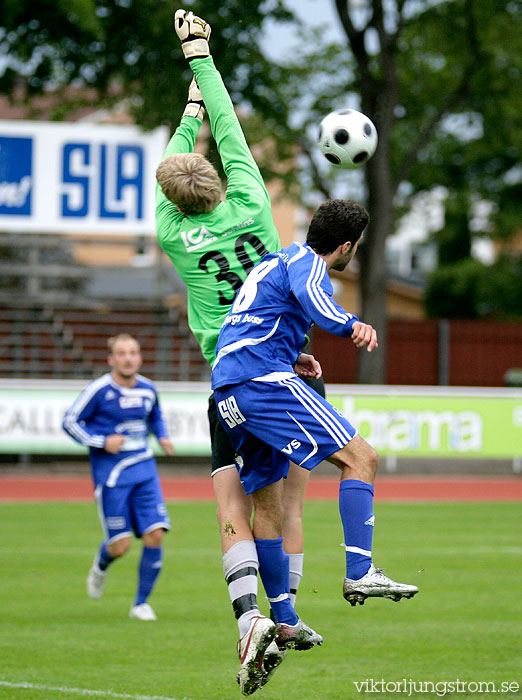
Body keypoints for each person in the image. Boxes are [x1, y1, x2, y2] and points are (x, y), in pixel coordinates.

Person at [155, 9, 321, 695]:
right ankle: (282, 616)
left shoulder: (171, 232)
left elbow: (181, 155)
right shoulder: (253, 203)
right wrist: (201, 60)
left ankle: (253, 616)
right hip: (282, 368)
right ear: (220, 182)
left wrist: (183, 109)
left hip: (228, 380)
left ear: (172, 199)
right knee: (286, 501)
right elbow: (227, 125)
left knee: (230, 492)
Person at [212, 199, 419, 642]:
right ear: (346, 246)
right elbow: (318, 303)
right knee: (362, 458)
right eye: (356, 247)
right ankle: (360, 572)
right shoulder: (308, 264)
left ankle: (284, 620)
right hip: (262, 381)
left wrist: (293, 352)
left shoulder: (278, 259)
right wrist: (351, 324)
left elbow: (246, 320)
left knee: (267, 506)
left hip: (229, 389)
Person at [62, 333, 174, 621]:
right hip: (112, 476)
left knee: (155, 534)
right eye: (122, 353)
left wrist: (162, 436)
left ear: (139, 357)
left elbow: (156, 416)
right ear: (111, 359)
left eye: (133, 353)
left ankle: (141, 604)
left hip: (145, 470)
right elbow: (70, 422)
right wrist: (101, 441)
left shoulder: (148, 389)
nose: (128, 358)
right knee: (120, 546)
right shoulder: (99, 390)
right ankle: (101, 564)